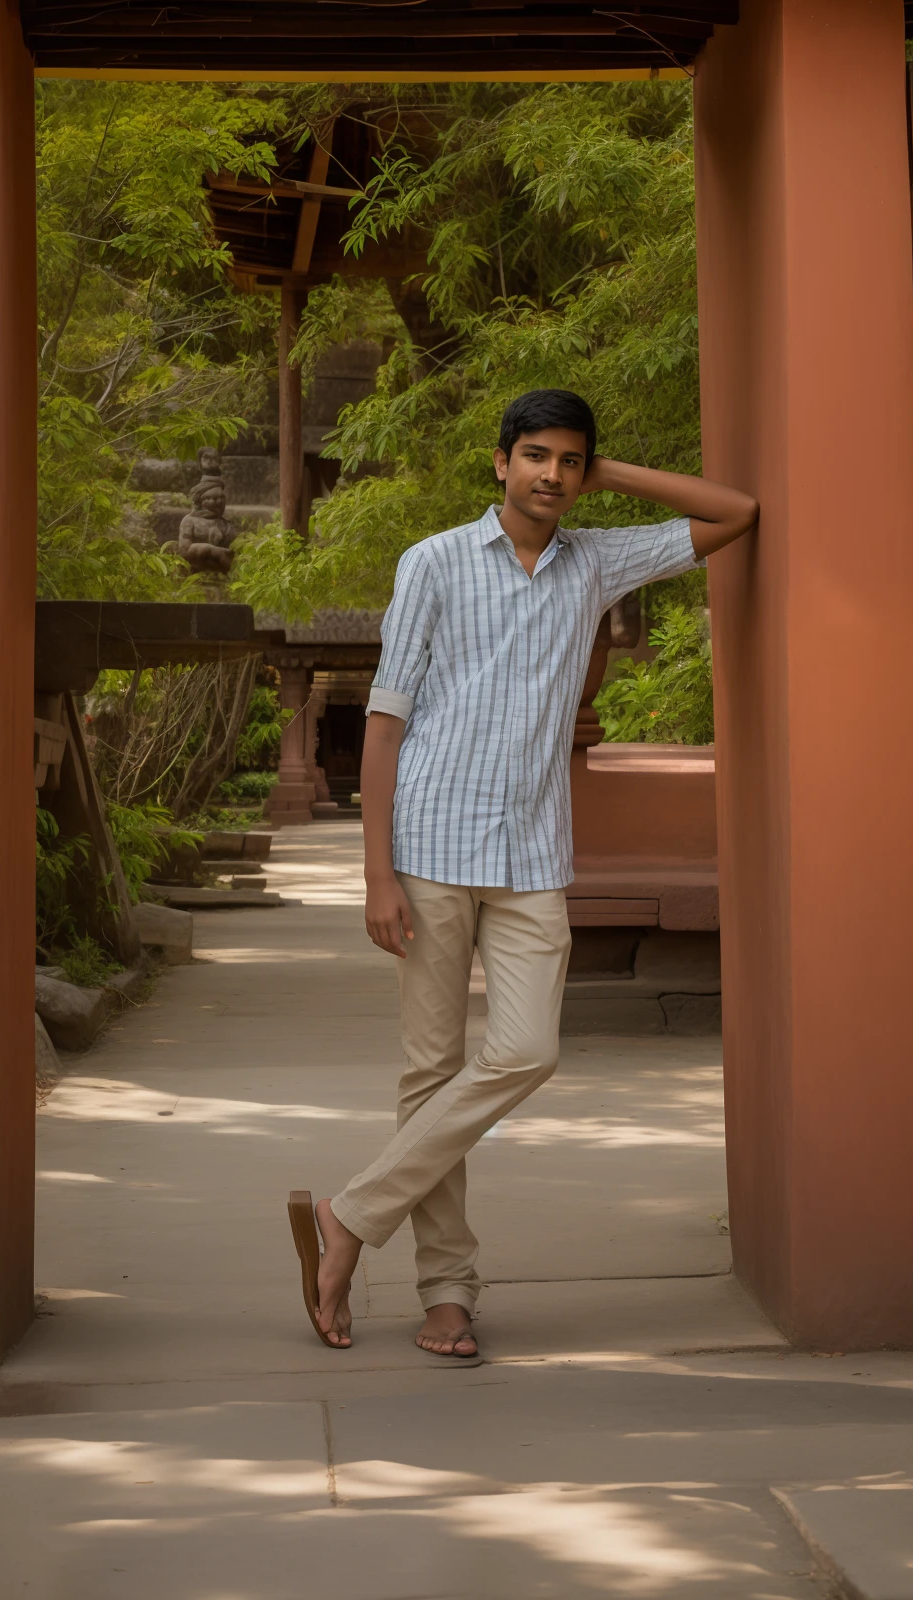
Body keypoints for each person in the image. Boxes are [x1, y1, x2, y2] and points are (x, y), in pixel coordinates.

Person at [286, 389, 759, 1360]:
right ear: (499, 461)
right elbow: (384, 721)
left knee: (526, 1048)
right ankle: (446, 1293)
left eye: (569, 459)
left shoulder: (593, 563)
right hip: (429, 847)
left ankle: (351, 1214)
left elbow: (734, 513)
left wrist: (612, 470)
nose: (550, 472)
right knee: (429, 1072)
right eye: (534, 455)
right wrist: (374, 873)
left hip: (532, 856)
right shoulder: (433, 562)